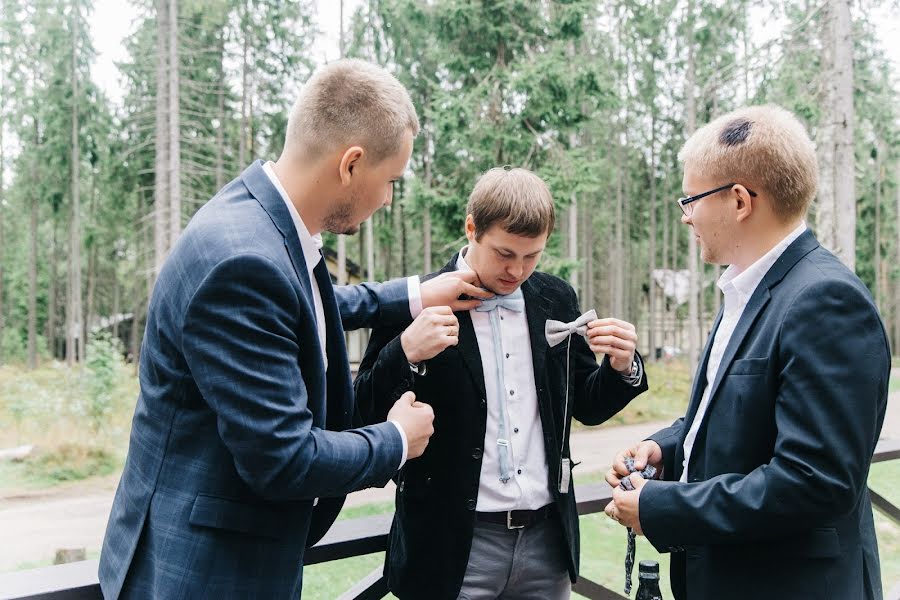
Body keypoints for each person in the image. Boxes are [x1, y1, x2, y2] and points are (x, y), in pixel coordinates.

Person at [98, 58, 492, 599]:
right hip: (204, 573)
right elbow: (284, 459)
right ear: (351, 164)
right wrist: (397, 440)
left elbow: (308, 307)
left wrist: (416, 293)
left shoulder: (259, 220)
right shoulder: (244, 262)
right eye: (390, 180)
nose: (389, 199)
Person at [605, 105, 890, 600]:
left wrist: (662, 508)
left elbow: (816, 481)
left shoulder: (824, 301)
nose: (686, 214)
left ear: (739, 200)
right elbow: (736, 417)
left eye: (691, 198)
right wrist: (666, 449)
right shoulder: (746, 291)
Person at [355, 167, 649, 599]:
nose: (517, 271)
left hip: (547, 542)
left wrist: (623, 366)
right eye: (505, 253)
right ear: (471, 228)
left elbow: (586, 404)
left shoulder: (556, 297)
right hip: (450, 547)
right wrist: (405, 351)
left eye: (532, 256)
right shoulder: (415, 300)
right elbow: (362, 410)